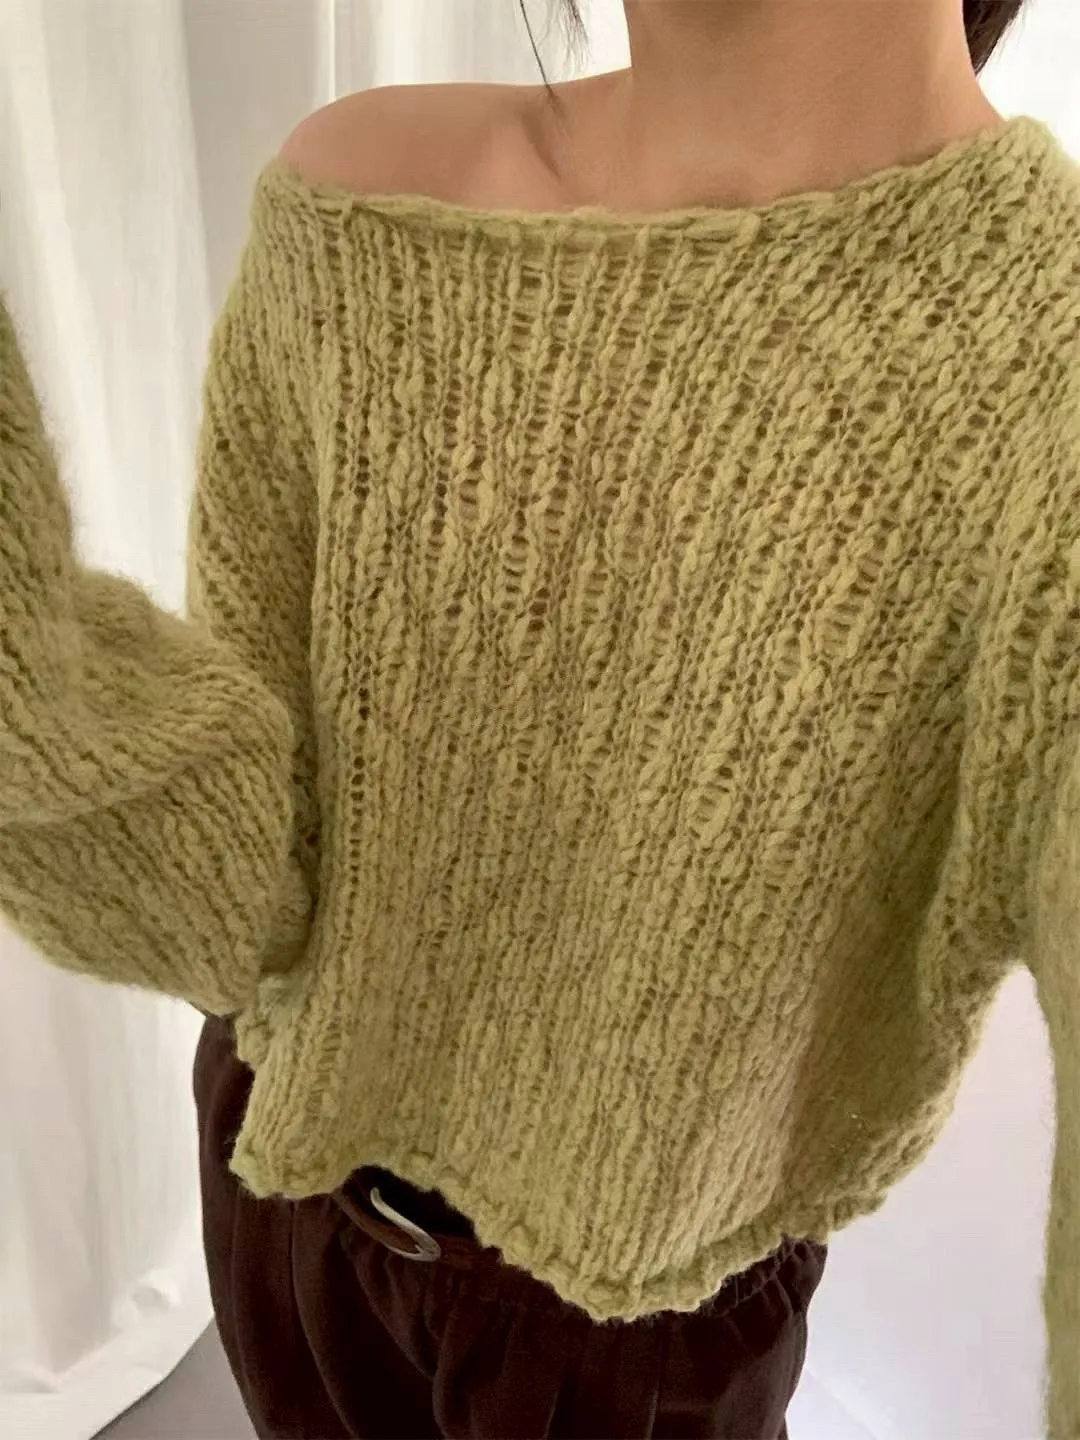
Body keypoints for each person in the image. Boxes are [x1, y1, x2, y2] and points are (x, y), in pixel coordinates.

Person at [1, 1, 1077, 1436]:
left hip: (625, 1355)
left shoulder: (1050, 378)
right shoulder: (355, 212)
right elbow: (241, 897)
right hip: (285, 1197)